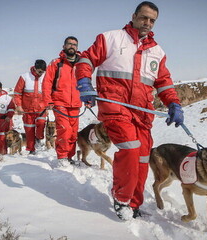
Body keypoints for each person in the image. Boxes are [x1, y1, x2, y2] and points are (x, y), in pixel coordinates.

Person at [75, 1, 184, 220]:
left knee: (144, 157)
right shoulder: (111, 38)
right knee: (131, 149)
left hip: (142, 113)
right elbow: (86, 59)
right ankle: (121, 199)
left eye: (152, 20)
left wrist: (174, 103)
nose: (148, 23)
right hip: (115, 107)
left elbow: (163, 81)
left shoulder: (157, 52)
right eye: (144, 17)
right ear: (134, 16)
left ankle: (134, 203)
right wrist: (85, 82)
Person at [42, 36, 82, 165]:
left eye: (74, 44)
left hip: (76, 103)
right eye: (69, 44)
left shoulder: (81, 63)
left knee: (74, 133)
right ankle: (62, 157)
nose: (72, 46)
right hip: (60, 102)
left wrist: (88, 98)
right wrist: (48, 100)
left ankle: (70, 157)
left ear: (77, 47)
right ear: (64, 46)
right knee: (65, 130)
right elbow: (47, 82)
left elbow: (85, 82)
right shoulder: (56, 63)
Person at [13, 59, 47, 154]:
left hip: (41, 108)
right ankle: (31, 149)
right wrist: (19, 106)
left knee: (41, 123)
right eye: (40, 71)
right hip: (27, 110)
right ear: (35, 68)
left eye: (43, 71)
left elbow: (50, 91)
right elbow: (17, 93)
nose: (41, 73)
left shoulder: (46, 77)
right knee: (29, 130)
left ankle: (39, 138)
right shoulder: (24, 77)